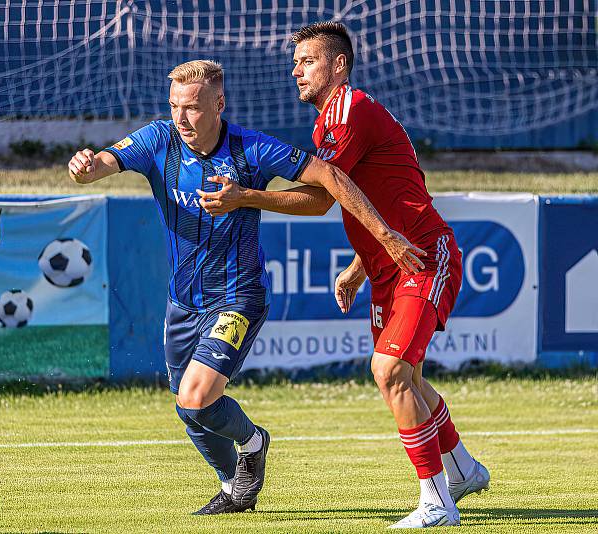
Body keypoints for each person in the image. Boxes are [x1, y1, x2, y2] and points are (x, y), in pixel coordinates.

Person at [68, 59, 425, 515]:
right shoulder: (159, 139)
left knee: (197, 396)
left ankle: (254, 442)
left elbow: (328, 180)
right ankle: (235, 485)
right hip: (182, 304)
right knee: (189, 408)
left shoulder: (251, 149)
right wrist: (85, 166)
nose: (182, 118)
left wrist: (251, 197)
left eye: (193, 108)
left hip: (238, 297)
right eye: (175, 106)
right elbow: (103, 163)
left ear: (219, 104)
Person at [198, 23, 490, 528]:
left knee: (389, 371)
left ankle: (438, 503)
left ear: (338, 65)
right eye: (296, 63)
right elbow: (386, 193)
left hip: (420, 257)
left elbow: (319, 199)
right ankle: (462, 469)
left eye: (307, 61)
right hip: (387, 267)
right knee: (409, 377)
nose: (295, 71)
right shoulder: (329, 123)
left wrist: (245, 196)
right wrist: (359, 266)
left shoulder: (348, 111)